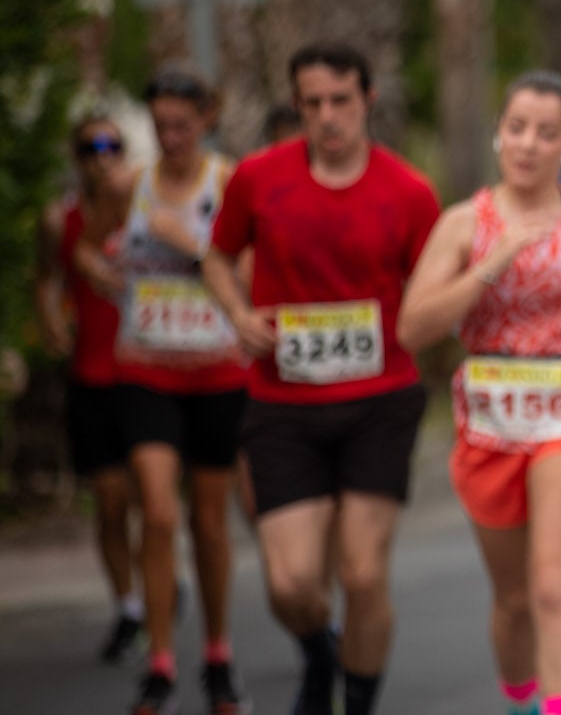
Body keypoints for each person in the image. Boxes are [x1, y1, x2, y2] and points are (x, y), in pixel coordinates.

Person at [197, 43, 441, 715]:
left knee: (362, 574)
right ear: (296, 106)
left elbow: (432, 288)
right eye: (313, 103)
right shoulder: (257, 178)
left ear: (368, 100)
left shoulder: (409, 190)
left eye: (341, 100)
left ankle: (354, 703)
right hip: (283, 403)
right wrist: (238, 313)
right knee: (292, 584)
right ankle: (319, 653)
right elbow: (216, 257)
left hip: (380, 399)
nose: (328, 116)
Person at [399, 71, 561, 715]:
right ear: (498, 134)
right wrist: (490, 263)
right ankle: (522, 700)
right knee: (514, 602)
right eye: (517, 128)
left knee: (555, 588)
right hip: (491, 418)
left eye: (546, 132)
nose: (529, 144)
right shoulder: (464, 223)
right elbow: (412, 329)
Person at [91, 67, 250, 715]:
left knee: (209, 522)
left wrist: (192, 248)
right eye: (160, 126)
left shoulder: (230, 183)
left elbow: (250, 270)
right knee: (156, 513)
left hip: (217, 370)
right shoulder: (128, 185)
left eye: (183, 125)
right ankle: (159, 663)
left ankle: (217, 654)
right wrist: (108, 276)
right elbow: (89, 246)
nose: (172, 137)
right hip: (147, 369)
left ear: (208, 118)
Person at [34, 112, 140, 663]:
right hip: (93, 375)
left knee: (154, 502)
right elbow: (45, 279)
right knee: (111, 500)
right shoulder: (62, 219)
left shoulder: (146, 212)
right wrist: (52, 319)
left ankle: (160, 575)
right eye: (90, 148)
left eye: (112, 146)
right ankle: (129, 606)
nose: (103, 158)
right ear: (76, 159)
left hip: (148, 373)